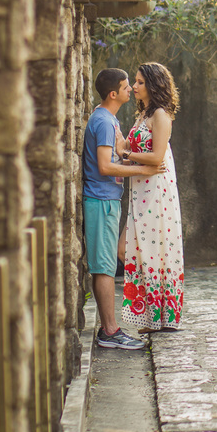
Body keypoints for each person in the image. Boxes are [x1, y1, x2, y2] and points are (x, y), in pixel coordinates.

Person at [82, 67, 164, 350]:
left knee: (105, 264)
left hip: (108, 199)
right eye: (127, 86)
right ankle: (110, 331)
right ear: (113, 93)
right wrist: (143, 168)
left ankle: (110, 329)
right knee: (104, 267)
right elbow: (104, 167)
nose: (132, 89)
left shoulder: (107, 118)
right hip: (101, 200)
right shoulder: (104, 121)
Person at [120, 62, 184, 332]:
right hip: (141, 190)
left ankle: (161, 316)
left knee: (154, 248)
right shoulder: (143, 115)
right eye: (134, 82)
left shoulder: (160, 115)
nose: (134, 87)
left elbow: (157, 157)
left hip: (156, 191)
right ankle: (150, 316)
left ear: (154, 85)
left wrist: (126, 154)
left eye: (139, 82)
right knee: (134, 248)